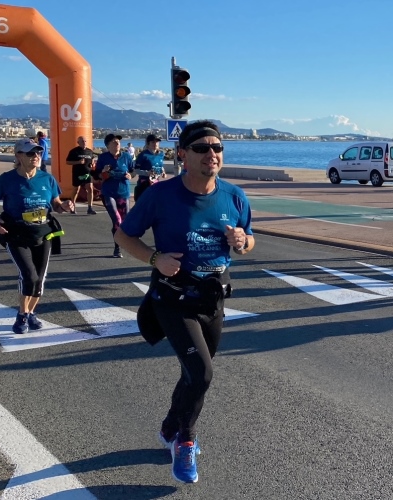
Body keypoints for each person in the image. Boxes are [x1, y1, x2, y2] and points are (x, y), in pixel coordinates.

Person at [114, 120, 254, 485]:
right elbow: (123, 235)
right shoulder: (161, 195)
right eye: (202, 148)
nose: (212, 154)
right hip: (173, 298)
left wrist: (242, 241)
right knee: (202, 373)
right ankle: (185, 441)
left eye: (217, 147)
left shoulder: (234, 196)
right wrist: (154, 258)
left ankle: (169, 427)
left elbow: (248, 240)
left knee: (193, 374)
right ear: (182, 155)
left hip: (213, 299)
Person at [0, 139, 74, 334]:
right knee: (29, 276)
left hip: (43, 233)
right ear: (18, 156)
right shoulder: (7, 179)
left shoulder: (47, 179)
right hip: (16, 234)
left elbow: (56, 205)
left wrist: (64, 206)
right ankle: (22, 314)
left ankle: (30, 313)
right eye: (30, 153)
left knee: (39, 279)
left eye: (38, 153)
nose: (36, 156)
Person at [94, 133, 134, 258]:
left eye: (118, 142)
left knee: (124, 222)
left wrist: (130, 175)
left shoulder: (126, 156)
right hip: (109, 193)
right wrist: (103, 171)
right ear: (108, 145)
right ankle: (117, 248)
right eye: (114, 142)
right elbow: (96, 176)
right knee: (117, 220)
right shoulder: (103, 158)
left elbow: (133, 170)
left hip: (124, 193)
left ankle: (122, 241)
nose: (117, 144)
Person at [65, 136, 97, 215]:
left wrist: (92, 164)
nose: (84, 143)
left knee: (90, 189)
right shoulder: (74, 151)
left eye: (85, 141)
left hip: (87, 173)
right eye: (82, 141)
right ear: (78, 142)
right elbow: (68, 162)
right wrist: (78, 162)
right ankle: (73, 206)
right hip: (77, 173)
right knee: (76, 190)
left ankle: (90, 208)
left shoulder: (89, 151)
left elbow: (92, 159)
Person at [133, 134, 166, 202]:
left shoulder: (161, 154)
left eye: (157, 142)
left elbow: (160, 166)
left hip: (156, 184)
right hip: (144, 185)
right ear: (148, 143)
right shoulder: (143, 155)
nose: (155, 144)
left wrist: (163, 172)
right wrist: (147, 173)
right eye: (153, 142)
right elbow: (136, 170)